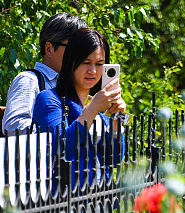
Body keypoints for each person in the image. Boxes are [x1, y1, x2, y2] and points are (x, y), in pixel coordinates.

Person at [32, 27, 127, 189]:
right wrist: (92, 109)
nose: (93, 71)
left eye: (99, 64)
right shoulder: (49, 99)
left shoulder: (101, 109)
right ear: (71, 62)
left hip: (100, 200)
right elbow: (61, 150)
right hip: (66, 200)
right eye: (86, 63)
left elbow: (115, 159)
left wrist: (117, 121)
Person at [1, 12, 87, 134]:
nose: (79, 56)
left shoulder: (77, 84)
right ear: (49, 49)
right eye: (73, 48)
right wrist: (55, 132)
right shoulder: (29, 80)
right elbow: (13, 127)